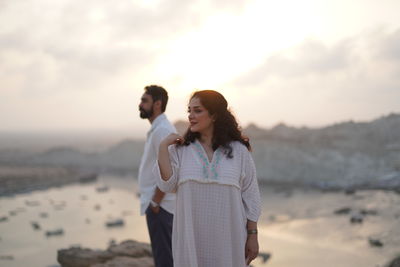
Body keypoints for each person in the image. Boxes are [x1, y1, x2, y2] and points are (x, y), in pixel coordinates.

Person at [156, 90, 261, 267]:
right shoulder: (180, 151)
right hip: (191, 240)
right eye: (189, 111)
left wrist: (253, 235)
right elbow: (167, 185)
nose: (191, 116)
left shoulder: (239, 151)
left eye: (197, 110)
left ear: (214, 115)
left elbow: (251, 196)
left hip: (229, 240)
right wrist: (162, 147)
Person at [138, 85, 176, 267]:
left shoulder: (162, 130)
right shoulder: (158, 128)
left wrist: (155, 202)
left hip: (161, 208)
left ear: (157, 104)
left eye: (145, 101)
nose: (140, 104)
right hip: (159, 206)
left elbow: (170, 169)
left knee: (165, 260)